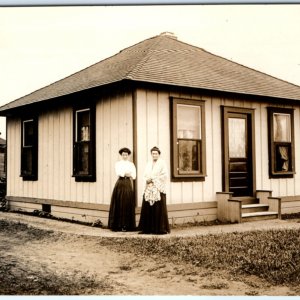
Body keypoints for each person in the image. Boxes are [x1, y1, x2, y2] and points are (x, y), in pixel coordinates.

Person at [138, 146, 170, 234]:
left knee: (157, 209)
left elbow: (165, 176)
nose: (154, 155)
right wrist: (146, 180)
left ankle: (159, 229)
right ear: (151, 154)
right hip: (148, 187)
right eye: (153, 154)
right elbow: (144, 175)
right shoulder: (148, 163)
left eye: (156, 154)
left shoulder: (162, 163)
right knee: (147, 208)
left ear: (159, 154)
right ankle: (147, 229)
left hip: (158, 188)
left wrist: (153, 179)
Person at [108, 147, 136, 232]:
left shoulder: (131, 164)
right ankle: (118, 225)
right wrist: (126, 173)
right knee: (119, 202)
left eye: (126, 155)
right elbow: (119, 172)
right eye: (123, 155)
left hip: (128, 184)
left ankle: (126, 225)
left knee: (127, 203)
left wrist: (128, 174)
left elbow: (134, 175)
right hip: (120, 183)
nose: (125, 156)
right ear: (121, 155)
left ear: (128, 155)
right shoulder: (118, 164)